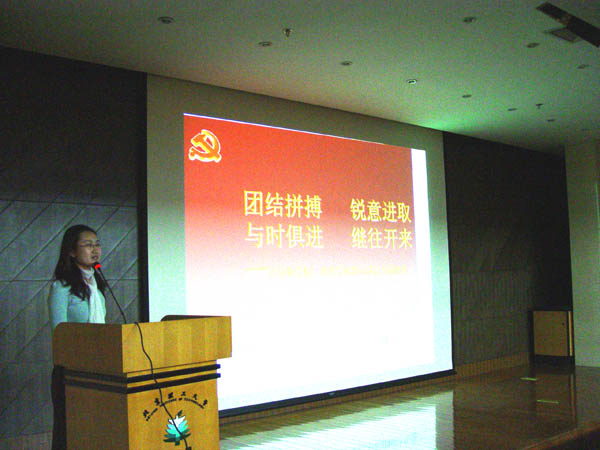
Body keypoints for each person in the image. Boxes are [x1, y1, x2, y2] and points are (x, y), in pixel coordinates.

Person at [48, 224, 107, 450]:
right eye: (88, 245)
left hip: (98, 368)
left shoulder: (96, 287)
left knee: (93, 430)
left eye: (97, 244)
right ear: (72, 251)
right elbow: (59, 332)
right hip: (71, 370)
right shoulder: (61, 287)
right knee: (69, 432)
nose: (95, 249)